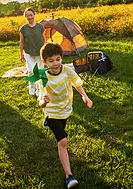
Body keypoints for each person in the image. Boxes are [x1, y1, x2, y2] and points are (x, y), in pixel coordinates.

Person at [38, 43, 93, 188]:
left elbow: (77, 83)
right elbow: (40, 103)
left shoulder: (68, 71)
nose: (55, 63)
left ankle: (47, 122)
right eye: (51, 61)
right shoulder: (43, 77)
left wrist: (85, 96)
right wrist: (44, 101)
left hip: (65, 111)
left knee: (62, 133)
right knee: (62, 142)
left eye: (58, 59)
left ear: (62, 58)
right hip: (52, 112)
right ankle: (69, 176)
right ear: (44, 62)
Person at [19, 8, 46, 96]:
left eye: (31, 15)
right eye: (27, 15)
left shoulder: (40, 27)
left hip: (40, 52)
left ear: (34, 15)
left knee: (40, 71)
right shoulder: (23, 29)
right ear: (25, 17)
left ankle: (39, 88)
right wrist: (21, 54)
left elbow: (44, 38)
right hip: (28, 52)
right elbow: (21, 42)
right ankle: (31, 86)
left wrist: (45, 49)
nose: (30, 17)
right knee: (31, 71)